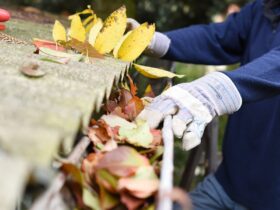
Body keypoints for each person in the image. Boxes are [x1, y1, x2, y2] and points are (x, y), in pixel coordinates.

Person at [129, 0, 280, 209]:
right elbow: (218, 38)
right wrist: (158, 41)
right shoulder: (263, 9)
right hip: (226, 184)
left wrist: (216, 90)